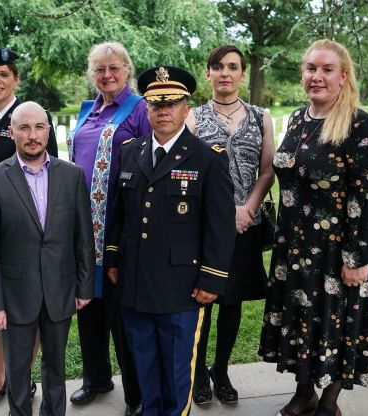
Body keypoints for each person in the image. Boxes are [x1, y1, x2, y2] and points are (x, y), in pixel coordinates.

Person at [258, 39, 368, 416]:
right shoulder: (299, 119)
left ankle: (328, 402)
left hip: (337, 252)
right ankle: (304, 394)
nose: (316, 76)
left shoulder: (360, 125)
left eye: (326, 69)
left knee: (335, 324)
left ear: (343, 76)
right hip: (295, 248)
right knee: (301, 321)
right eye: (310, 68)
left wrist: (359, 257)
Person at [104, 66, 236, 416]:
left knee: (178, 373)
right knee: (145, 366)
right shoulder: (130, 152)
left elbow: (219, 226)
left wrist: (212, 278)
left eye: (172, 103)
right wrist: (114, 257)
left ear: (186, 108)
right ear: (146, 108)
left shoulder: (207, 159)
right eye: (155, 104)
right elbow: (118, 213)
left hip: (183, 287)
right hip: (135, 283)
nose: (163, 111)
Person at [0, 101, 95, 416]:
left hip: (60, 288)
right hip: (15, 295)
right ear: (11, 132)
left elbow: (83, 237)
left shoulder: (71, 176)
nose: (32, 135)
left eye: (39, 127)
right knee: (17, 368)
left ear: (48, 131)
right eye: (24, 128)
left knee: (55, 364)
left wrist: (84, 287)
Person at [0, 47, 58, 414]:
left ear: (16, 79)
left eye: (3, 74)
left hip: (23, 230)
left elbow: (51, 174)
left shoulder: (31, 118)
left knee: (25, 307)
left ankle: (23, 376)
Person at [184, 45, 274, 405]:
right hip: (205, 225)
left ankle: (221, 369)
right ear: (208, 73)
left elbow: (267, 170)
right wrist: (224, 213)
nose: (225, 73)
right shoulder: (192, 117)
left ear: (242, 74)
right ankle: (199, 371)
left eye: (232, 67)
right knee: (205, 298)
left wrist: (247, 207)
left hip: (246, 223)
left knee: (232, 301)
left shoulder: (259, 116)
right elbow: (187, 172)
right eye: (217, 66)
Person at [66, 42, 149, 416]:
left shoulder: (140, 110)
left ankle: (136, 394)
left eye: (113, 68)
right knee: (88, 307)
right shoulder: (88, 111)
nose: (106, 76)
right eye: (99, 70)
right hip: (82, 229)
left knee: (122, 317)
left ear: (126, 70)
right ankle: (96, 378)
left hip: (119, 228)